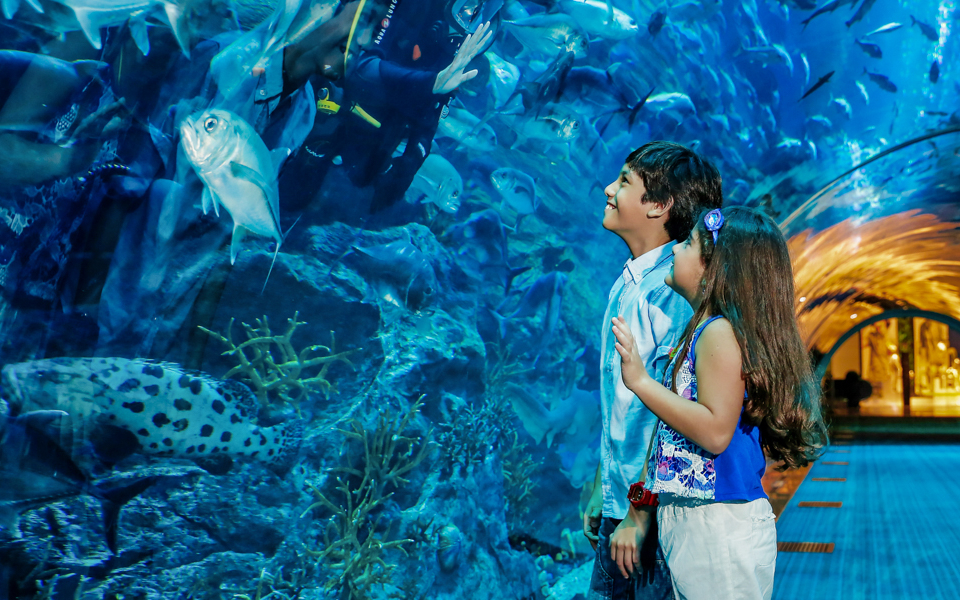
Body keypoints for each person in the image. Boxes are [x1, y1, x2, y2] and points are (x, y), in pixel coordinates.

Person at [611, 206, 829, 600]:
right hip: (705, 521)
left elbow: (714, 432)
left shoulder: (718, 333)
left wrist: (641, 382)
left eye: (690, 242)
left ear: (716, 270)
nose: (676, 248)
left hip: (718, 524)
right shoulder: (705, 329)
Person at [583, 141, 723, 600]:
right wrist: (603, 487)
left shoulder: (669, 292)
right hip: (623, 502)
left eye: (624, 181)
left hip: (653, 512)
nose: (608, 189)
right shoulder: (628, 284)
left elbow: (675, 411)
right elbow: (624, 408)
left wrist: (640, 512)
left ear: (659, 205)